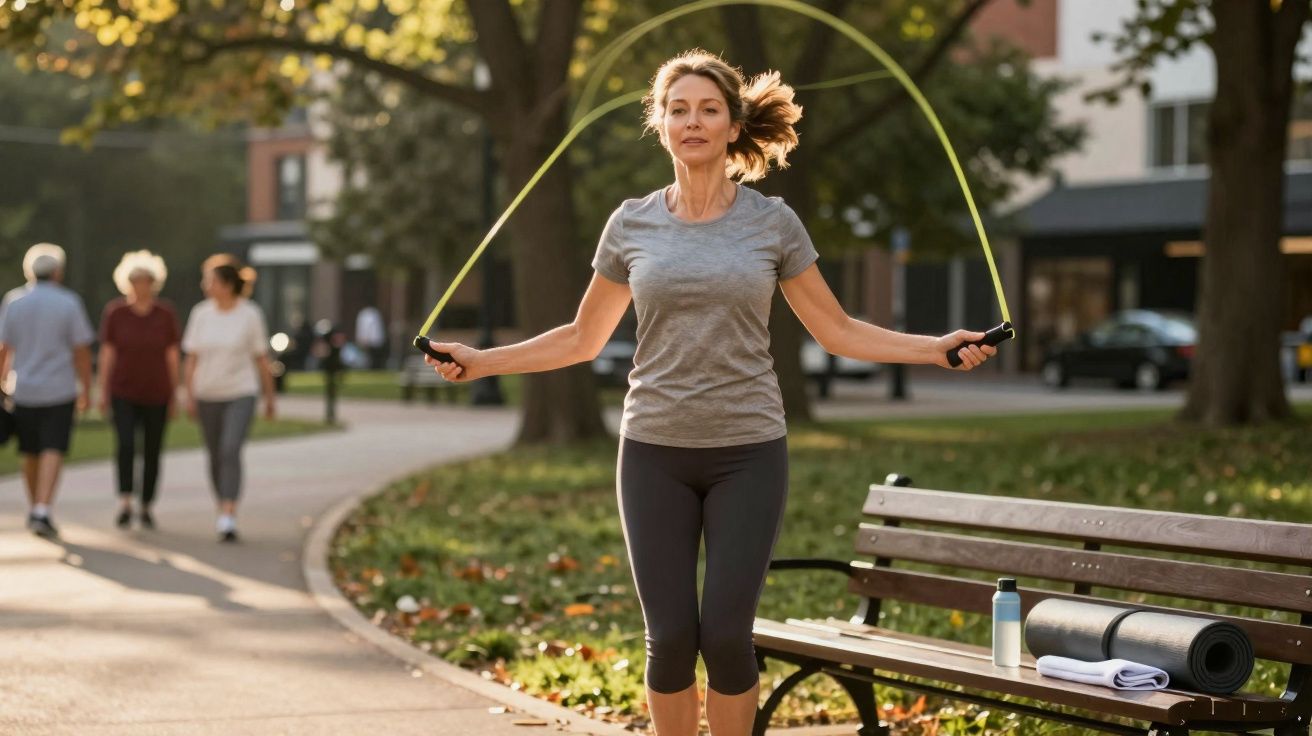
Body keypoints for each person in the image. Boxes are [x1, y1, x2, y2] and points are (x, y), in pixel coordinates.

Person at [423, 51, 996, 736]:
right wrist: (481, 362)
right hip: (653, 453)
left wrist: (934, 348)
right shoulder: (631, 224)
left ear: (732, 126)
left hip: (748, 452)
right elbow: (581, 338)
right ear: (659, 125)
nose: (691, 121)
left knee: (726, 637)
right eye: (678, 109)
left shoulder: (772, 223)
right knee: (668, 643)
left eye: (708, 109)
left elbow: (837, 330)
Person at [0, 243, 94, 537]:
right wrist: (86, 388)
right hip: (60, 388)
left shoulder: (14, 301)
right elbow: (81, 350)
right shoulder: (69, 302)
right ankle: (42, 508)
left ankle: (35, 508)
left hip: (24, 388)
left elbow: (5, 348)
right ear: (57, 272)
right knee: (53, 447)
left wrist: (1, 381)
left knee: (29, 450)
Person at [181, 255, 276, 543]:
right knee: (214, 454)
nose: (204, 285)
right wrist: (189, 394)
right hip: (207, 392)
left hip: (241, 391)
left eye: (209, 279)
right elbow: (191, 358)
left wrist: (270, 396)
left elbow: (261, 359)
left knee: (230, 449)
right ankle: (222, 503)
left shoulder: (250, 314)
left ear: (225, 284)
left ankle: (228, 514)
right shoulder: (201, 314)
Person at [98, 250, 180, 530]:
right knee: (125, 445)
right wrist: (103, 391)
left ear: (153, 283)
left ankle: (146, 504)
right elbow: (108, 354)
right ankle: (125, 500)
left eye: (145, 280)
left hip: (157, 391)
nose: (140, 285)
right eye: (135, 280)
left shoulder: (165, 314)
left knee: (152, 449)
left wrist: (175, 393)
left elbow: (172, 355)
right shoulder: (116, 313)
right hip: (123, 390)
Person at [354, 305, 386, 369]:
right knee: (370, 356)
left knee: (374, 357)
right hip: (372, 340)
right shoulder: (366, 315)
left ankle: (375, 367)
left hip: (374, 340)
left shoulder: (371, 315)